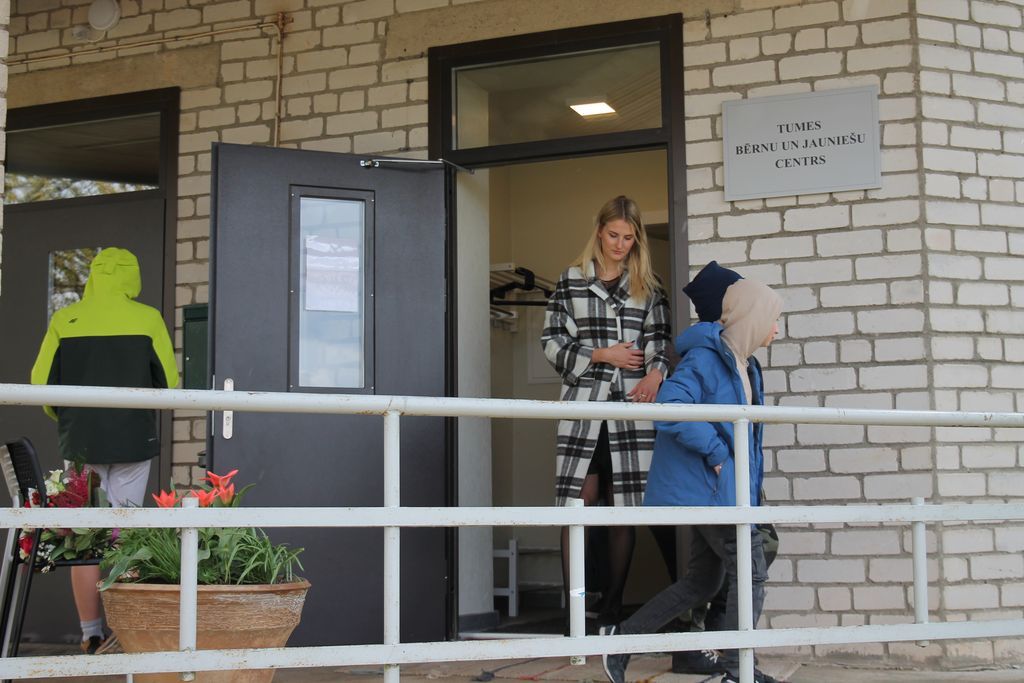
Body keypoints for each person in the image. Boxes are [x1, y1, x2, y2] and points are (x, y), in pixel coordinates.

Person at [600, 274, 785, 683]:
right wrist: (717, 455)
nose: (776, 329)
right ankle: (737, 668)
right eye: (772, 318)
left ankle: (621, 641)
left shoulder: (745, 365)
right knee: (751, 571)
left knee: (703, 581)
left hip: (728, 493)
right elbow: (670, 406)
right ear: (753, 318)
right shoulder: (707, 358)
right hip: (712, 491)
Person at [30, 247, 179, 654]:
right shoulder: (148, 318)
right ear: (133, 277)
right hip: (132, 441)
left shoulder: (65, 319)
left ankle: (90, 633)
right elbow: (169, 385)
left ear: (93, 275)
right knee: (124, 535)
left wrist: (68, 417)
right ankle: (126, 633)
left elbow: (40, 386)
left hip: (80, 443)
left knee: (84, 538)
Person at [541, 195, 671, 625]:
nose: (619, 244)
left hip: (630, 409)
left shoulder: (648, 286)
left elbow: (660, 340)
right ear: (599, 231)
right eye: (613, 235)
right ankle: (576, 611)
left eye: (628, 238)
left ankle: (612, 610)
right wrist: (601, 355)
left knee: (622, 510)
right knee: (578, 509)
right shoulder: (571, 280)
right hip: (584, 409)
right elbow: (551, 342)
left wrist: (656, 375)